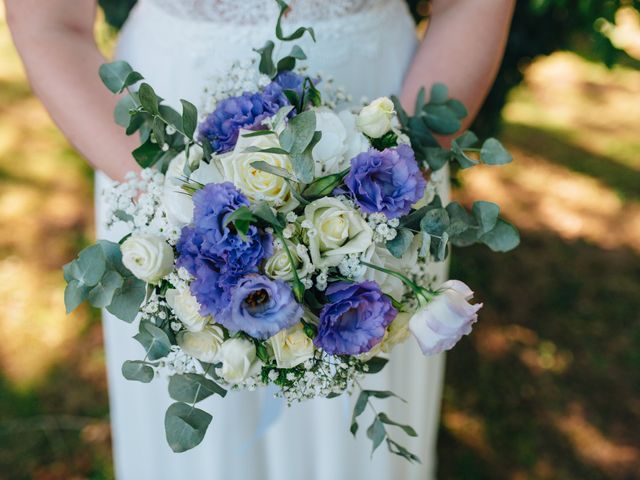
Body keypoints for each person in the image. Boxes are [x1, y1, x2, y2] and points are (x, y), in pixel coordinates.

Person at [7, 1, 515, 479]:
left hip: (384, 135)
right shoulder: (159, 193)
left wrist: (394, 167)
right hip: (151, 150)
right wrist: (169, 202)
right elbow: (50, 23)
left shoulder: (390, 167)